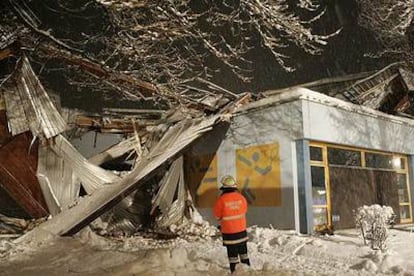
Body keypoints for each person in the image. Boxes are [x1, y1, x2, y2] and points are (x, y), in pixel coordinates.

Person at [214, 175, 250, 273]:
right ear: (234, 188)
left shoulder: (221, 200)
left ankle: (234, 272)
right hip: (242, 232)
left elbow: (217, 216)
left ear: (223, 188)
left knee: (233, 255)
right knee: (244, 253)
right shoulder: (241, 198)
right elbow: (244, 211)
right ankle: (247, 271)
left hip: (229, 234)